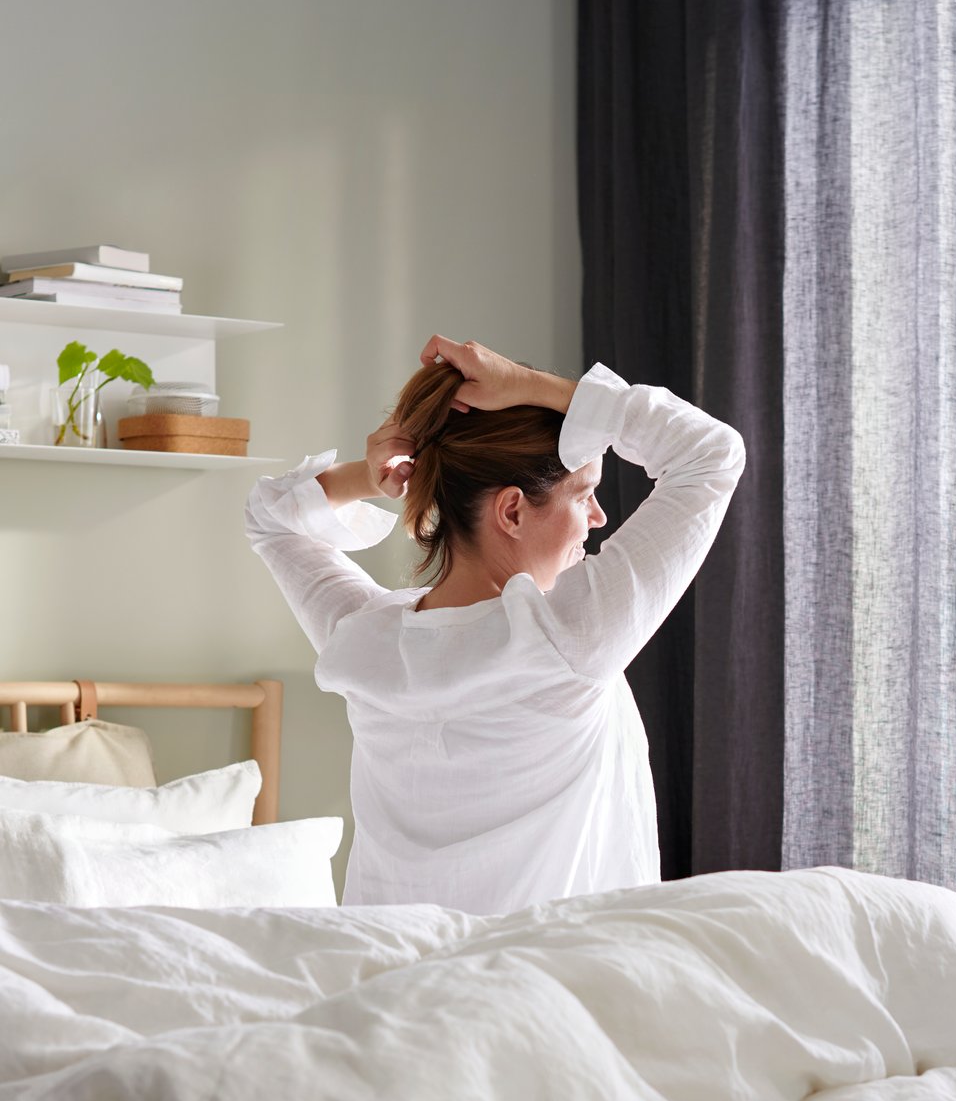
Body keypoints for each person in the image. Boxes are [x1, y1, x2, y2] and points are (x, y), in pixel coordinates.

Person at [245, 336, 744, 915]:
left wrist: (377, 475)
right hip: (544, 983)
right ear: (511, 511)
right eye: (584, 495)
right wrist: (534, 386)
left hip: (392, 977)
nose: (599, 518)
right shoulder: (569, 637)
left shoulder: (360, 638)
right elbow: (712, 452)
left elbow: (270, 518)